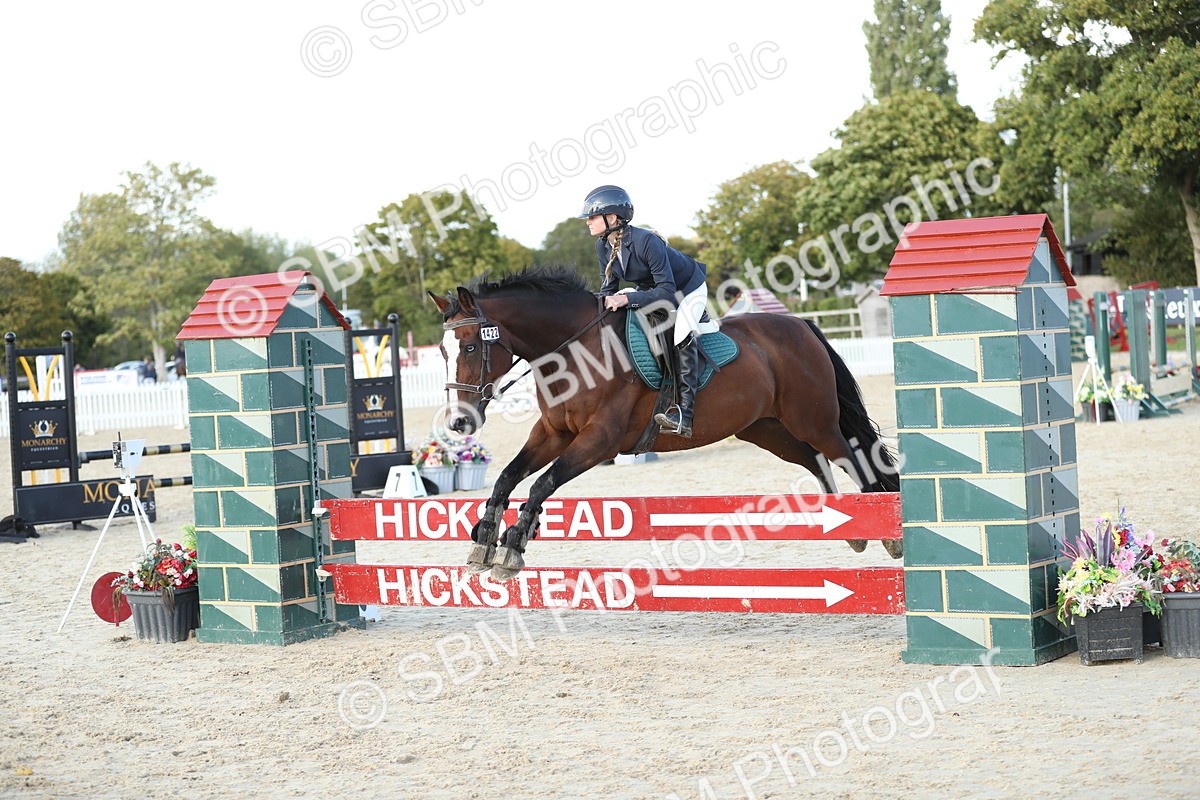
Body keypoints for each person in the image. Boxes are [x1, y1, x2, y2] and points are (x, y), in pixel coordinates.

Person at [579, 185, 709, 437]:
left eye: (592, 217)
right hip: (654, 290)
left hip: (687, 289)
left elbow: (667, 291)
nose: (588, 222)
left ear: (612, 218)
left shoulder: (646, 241)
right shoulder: (603, 247)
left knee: (680, 332)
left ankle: (684, 413)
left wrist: (627, 298)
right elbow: (608, 289)